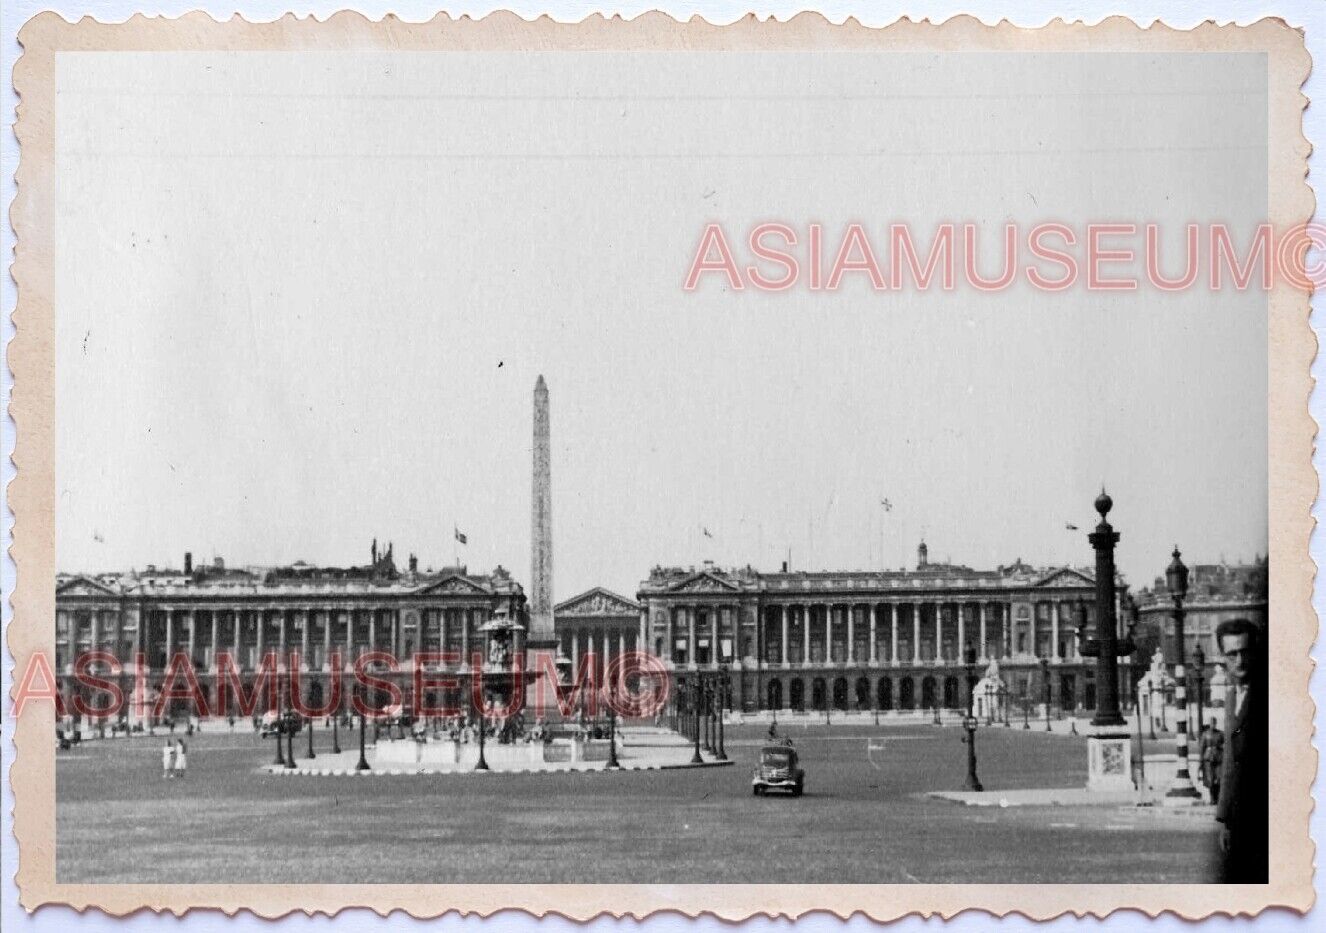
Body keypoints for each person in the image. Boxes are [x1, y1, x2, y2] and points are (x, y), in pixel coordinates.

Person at [1214, 618, 1267, 883]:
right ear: (1222, 658)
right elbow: (1229, 762)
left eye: (1245, 651)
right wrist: (1226, 821)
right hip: (1240, 819)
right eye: (1232, 654)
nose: (1240, 660)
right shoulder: (1232, 697)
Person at [1199, 721, 1223, 804]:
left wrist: (1220, 746)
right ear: (1210, 724)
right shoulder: (1205, 734)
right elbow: (1202, 748)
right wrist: (1200, 761)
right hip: (1208, 758)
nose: (1213, 725)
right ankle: (1213, 798)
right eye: (1211, 723)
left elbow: (1225, 744)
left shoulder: (1220, 734)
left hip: (1219, 757)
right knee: (1210, 779)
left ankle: (1218, 798)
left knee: (1218, 778)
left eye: (1214, 723)